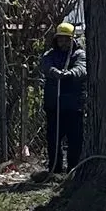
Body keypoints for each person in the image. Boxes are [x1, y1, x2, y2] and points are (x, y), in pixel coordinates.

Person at [39, 21, 86, 172]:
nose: (63, 43)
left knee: (75, 140)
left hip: (73, 106)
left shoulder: (79, 54)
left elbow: (82, 68)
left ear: (72, 40)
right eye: (60, 39)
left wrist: (70, 74)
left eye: (66, 39)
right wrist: (54, 72)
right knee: (53, 139)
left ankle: (73, 169)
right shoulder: (50, 55)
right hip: (54, 105)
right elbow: (46, 65)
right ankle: (55, 169)